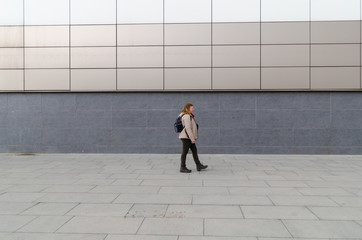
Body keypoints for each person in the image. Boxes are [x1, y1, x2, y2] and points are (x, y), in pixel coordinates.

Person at [178, 103, 208, 173]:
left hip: (187, 136)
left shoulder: (188, 115)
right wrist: (192, 139)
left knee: (194, 150)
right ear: (187, 108)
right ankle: (182, 167)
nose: (193, 109)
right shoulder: (186, 116)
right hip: (186, 137)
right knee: (184, 152)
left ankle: (198, 165)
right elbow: (188, 128)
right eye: (192, 108)